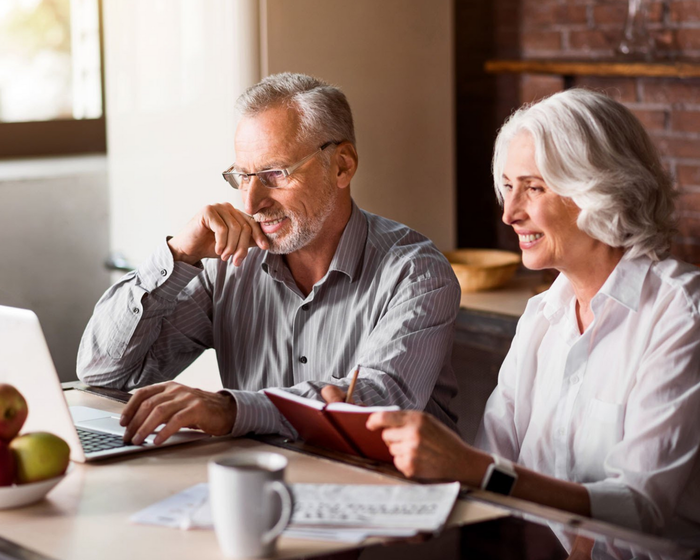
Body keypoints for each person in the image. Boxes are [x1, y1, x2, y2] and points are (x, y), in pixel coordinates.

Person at [365, 89, 700, 540]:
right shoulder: (542, 315)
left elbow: (639, 507)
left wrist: (473, 468)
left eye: (533, 188)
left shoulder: (681, 313)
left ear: (598, 189)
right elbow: (491, 464)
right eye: (508, 188)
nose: (509, 213)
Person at [77, 72, 461, 448]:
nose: (251, 202)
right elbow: (103, 373)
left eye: (274, 174)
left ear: (342, 165)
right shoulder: (227, 267)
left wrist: (231, 410)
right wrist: (178, 254)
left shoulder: (417, 272)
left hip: (385, 498)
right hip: (265, 492)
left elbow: (376, 406)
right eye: (243, 176)